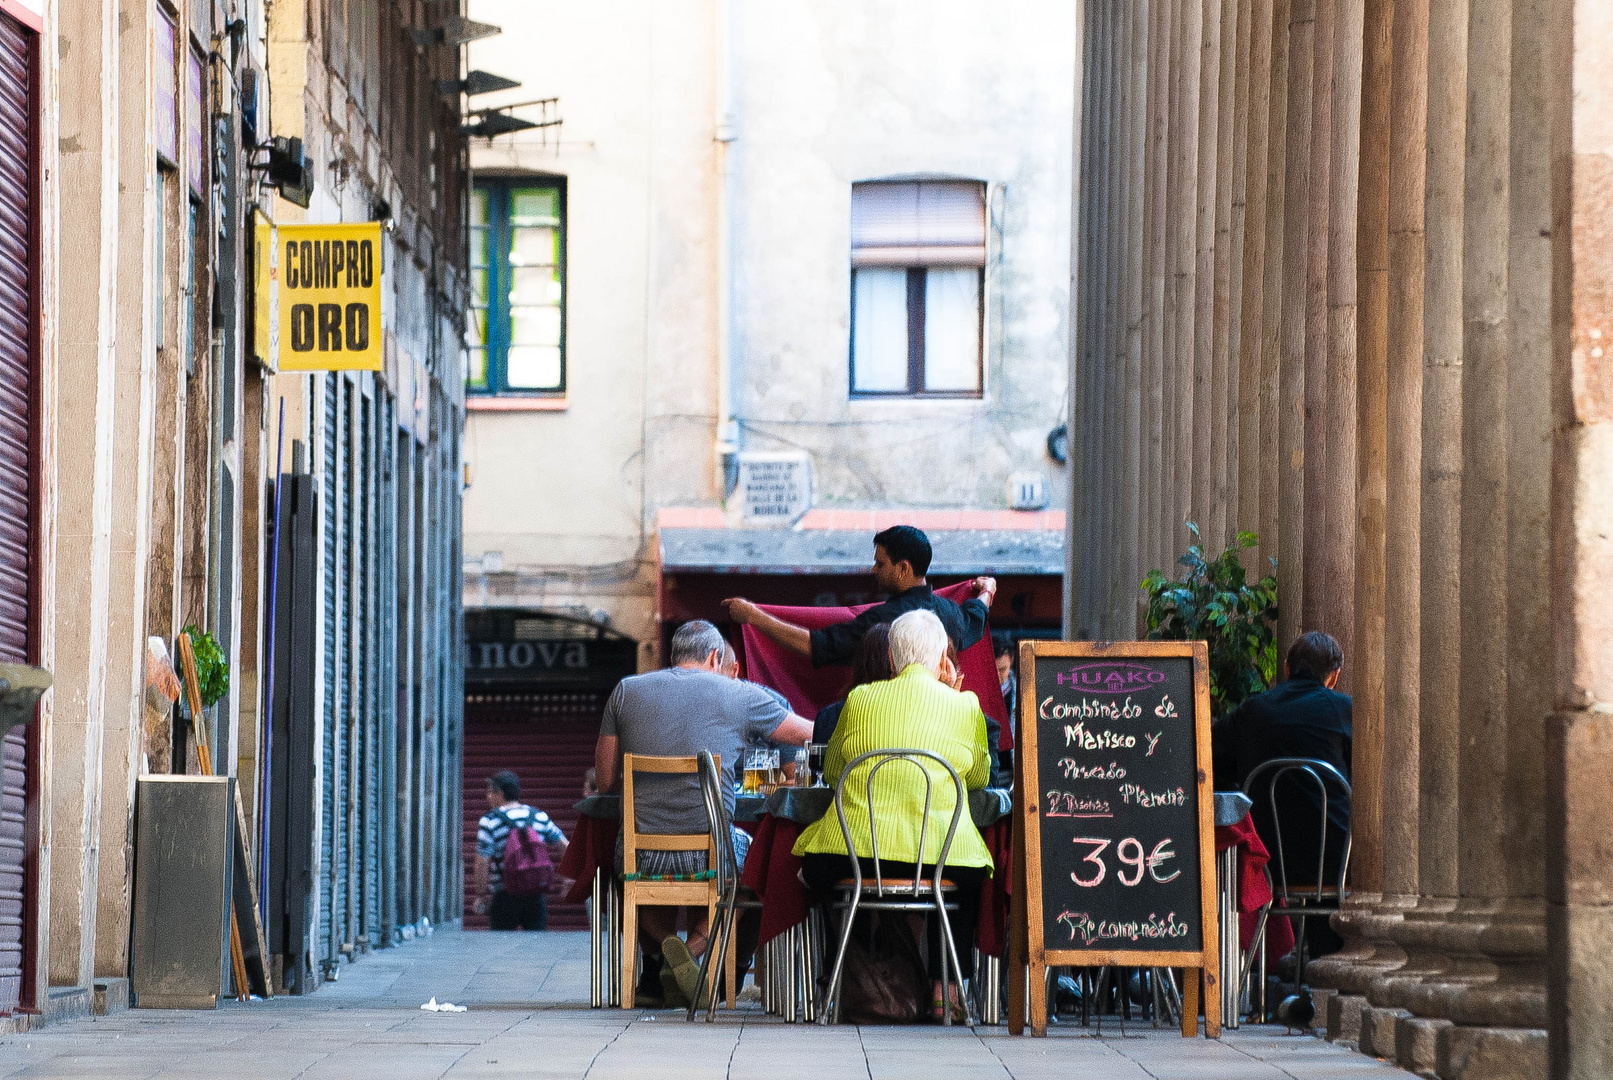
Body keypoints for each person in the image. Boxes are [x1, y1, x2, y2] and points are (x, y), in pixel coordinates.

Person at [594, 619, 814, 1007]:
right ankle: (692, 949)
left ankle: (666, 950)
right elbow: (808, 734)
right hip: (712, 854)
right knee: (756, 862)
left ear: (673, 655)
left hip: (636, 855)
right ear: (715, 657)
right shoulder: (741, 694)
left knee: (623, 876)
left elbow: (607, 779)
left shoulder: (626, 690)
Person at [793, 609, 994, 1022]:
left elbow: (833, 772)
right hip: (938, 856)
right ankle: (945, 991)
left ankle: (835, 980)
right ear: (943, 660)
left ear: (890, 660)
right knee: (967, 881)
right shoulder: (965, 705)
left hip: (854, 855)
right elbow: (976, 777)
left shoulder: (860, 699)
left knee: (815, 877)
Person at [1212, 630, 1352, 958]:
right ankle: (1324, 974)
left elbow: (1210, 758)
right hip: (1331, 864)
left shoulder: (1254, 711)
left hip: (1264, 862)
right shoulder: (1344, 711)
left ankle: (1282, 977)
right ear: (1334, 676)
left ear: (1286, 668)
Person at [721, 525, 997, 669]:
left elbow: (813, 646)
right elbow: (976, 615)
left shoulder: (881, 623)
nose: (873, 569)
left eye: (880, 563)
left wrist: (753, 616)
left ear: (903, 568)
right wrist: (987, 590)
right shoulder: (951, 615)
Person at [473, 770, 568, 931]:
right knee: (536, 946)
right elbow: (566, 846)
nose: (487, 797)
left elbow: (482, 861)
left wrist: (481, 895)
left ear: (500, 793)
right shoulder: (539, 816)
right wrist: (568, 877)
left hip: (504, 895)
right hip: (536, 894)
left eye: (490, 792)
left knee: (500, 948)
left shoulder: (490, 821)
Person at [812, 623, 895, 746]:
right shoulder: (911, 713)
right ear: (896, 664)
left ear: (858, 663)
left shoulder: (828, 716)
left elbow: (818, 764)